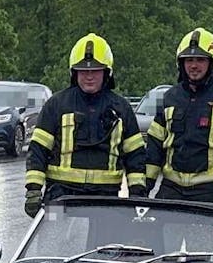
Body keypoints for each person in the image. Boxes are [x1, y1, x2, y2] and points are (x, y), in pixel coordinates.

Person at [24, 33, 148, 218]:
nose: (89, 76)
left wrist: (137, 196)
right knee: (53, 245)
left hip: (106, 199)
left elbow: (135, 157)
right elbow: (38, 151)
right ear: (74, 73)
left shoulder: (121, 109)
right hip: (60, 196)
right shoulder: (56, 105)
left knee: (105, 246)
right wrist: (33, 191)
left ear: (107, 72)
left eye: (95, 71)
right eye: (83, 71)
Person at [145, 28, 213, 204]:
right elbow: (154, 147)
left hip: (211, 192)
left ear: (212, 63)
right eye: (189, 60)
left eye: (200, 60)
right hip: (171, 191)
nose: (194, 66)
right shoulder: (170, 97)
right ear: (181, 63)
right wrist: (143, 188)